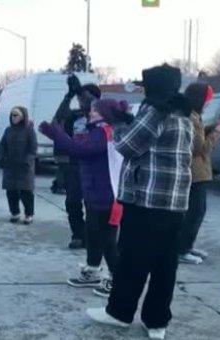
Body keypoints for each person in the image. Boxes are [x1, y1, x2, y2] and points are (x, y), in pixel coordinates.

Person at [86, 64, 193, 340]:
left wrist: (119, 122)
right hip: (175, 202)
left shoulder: (157, 111)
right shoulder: (184, 113)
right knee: (165, 266)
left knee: (132, 261)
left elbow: (127, 146)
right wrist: (130, 121)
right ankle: (156, 321)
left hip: (145, 200)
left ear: (153, 89)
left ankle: (119, 313)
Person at [41, 99, 128, 299]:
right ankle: (93, 269)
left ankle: (117, 279)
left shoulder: (102, 132)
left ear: (104, 114)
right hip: (97, 192)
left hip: (104, 194)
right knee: (94, 234)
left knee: (106, 239)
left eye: (95, 111)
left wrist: (56, 134)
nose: (90, 113)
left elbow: (78, 149)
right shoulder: (101, 131)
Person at [53, 75, 102, 249]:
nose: (82, 101)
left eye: (84, 98)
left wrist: (84, 92)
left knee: (92, 205)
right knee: (72, 202)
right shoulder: (75, 116)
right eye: (80, 98)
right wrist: (69, 96)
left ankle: (91, 236)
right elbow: (58, 119)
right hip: (74, 164)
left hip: (95, 167)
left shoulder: (101, 116)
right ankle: (78, 234)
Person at [178, 84, 220, 264]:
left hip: (197, 173)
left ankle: (187, 246)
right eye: (207, 100)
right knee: (195, 212)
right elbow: (199, 148)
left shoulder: (193, 115)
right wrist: (217, 134)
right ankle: (182, 249)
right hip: (195, 173)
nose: (208, 104)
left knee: (196, 211)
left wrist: (212, 127)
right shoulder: (192, 117)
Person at [0, 106, 37, 225]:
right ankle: (15, 213)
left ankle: (29, 214)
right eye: (12, 115)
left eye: (16, 115)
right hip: (10, 166)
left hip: (24, 167)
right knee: (11, 192)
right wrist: (1, 158)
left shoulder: (29, 131)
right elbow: (3, 145)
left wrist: (27, 161)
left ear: (22, 117)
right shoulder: (8, 130)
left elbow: (33, 148)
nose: (13, 118)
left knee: (26, 192)